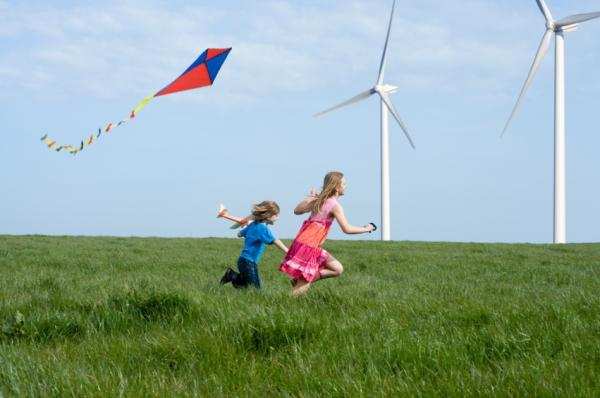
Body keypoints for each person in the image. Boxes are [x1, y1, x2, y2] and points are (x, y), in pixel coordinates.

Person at [279, 171, 376, 296]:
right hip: (309, 245)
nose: (346, 186)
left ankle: (300, 281)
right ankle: (288, 301)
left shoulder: (320, 200)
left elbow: (297, 210)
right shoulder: (334, 206)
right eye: (344, 184)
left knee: (337, 269)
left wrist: (311, 197)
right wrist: (366, 228)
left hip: (305, 243)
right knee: (306, 280)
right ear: (336, 187)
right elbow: (347, 229)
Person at [220, 201, 288, 289]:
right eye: (276, 215)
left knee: (245, 285)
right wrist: (287, 251)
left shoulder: (253, 225)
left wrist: (248, 230)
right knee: (256, 288)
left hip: (243, 260)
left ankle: (231, 275)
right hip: (249, 262)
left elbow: (239, 234)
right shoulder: (262, 228)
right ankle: (231, 275)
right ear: (268, 215)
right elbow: (275, 240)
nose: (278, 218)